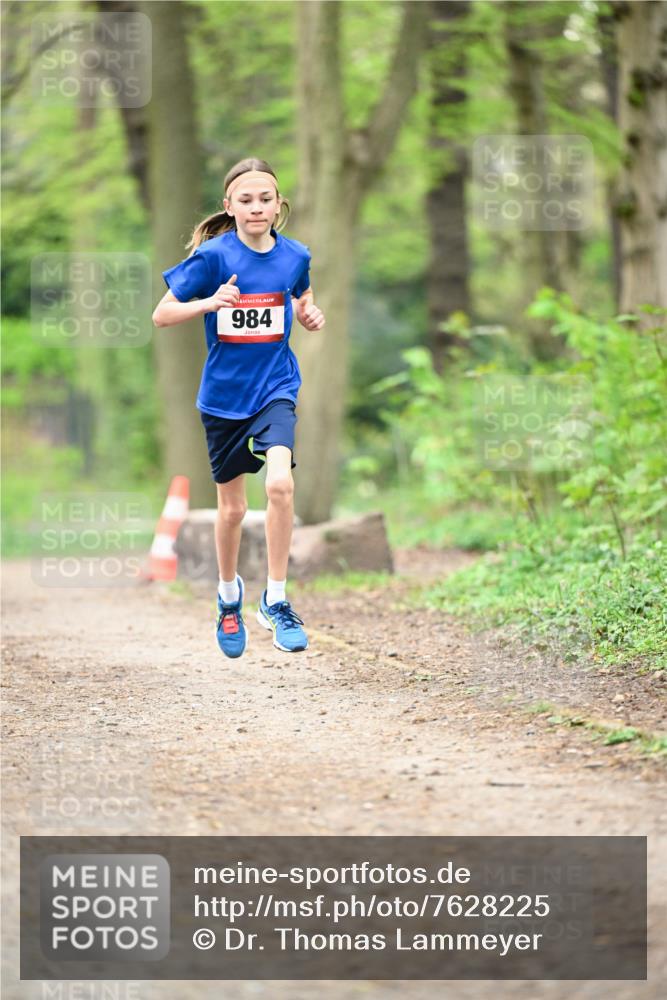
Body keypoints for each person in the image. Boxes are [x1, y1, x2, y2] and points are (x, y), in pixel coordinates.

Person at [152, 157, 325, 657]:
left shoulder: (295, 256)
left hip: (276, 387)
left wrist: (308, 313)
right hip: (224, 398)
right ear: (229, 206)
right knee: (231, 510)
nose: (256, 208)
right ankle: (230, 598)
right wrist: (209, 304)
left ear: (278, 205)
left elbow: (303, 296)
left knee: (280, 483)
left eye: (265, 199)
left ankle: (276, 598)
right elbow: (162, 315)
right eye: (245, 200)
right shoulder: (212, 258)